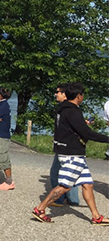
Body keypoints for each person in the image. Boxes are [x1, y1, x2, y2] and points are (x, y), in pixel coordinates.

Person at [32, 82, 109, 224]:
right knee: (64, 186)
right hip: (72, 154)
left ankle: (96, 216)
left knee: (87, 184)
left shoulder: (62, 109)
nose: (83, 97)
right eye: (82, 94)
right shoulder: (73, 111)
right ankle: (40, 209)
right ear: (79, 96)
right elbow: (86, 133)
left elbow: (65, 130)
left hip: (70, 152)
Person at [47, 84, 79, 206]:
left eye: (58, 92)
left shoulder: (64, 109)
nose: (56, 94)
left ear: (65, 94)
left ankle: (59, 199)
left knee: (56, 172)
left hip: (65, 146)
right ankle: (71, 199)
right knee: (72, 173)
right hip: (67, 145)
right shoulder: (72, 108)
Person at [0, 86, 14, 190]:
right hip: (1, 135)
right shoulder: (3, 105)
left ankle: (9, 182)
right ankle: (8, 180)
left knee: (3, 157)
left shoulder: (3, 106)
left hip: (2, 136)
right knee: (1, 156)